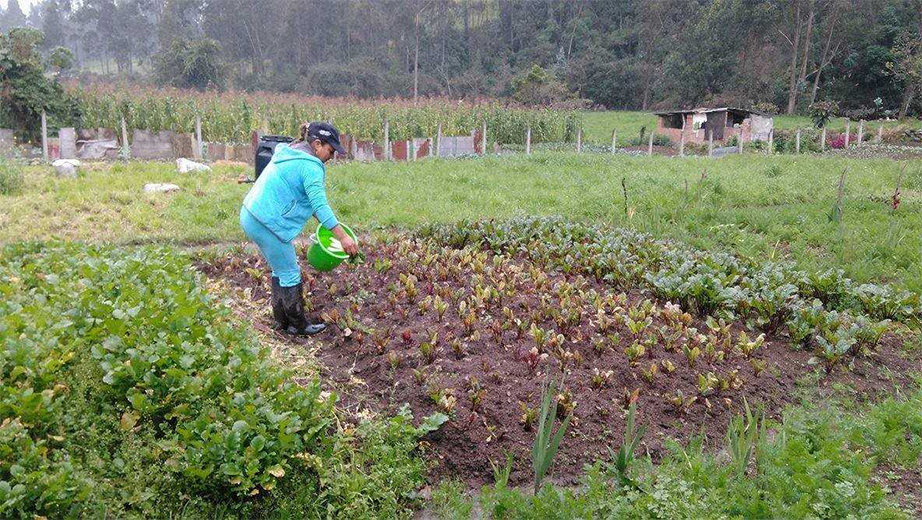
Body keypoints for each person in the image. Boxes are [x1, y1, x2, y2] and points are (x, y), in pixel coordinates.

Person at [239, 122, 358, 336]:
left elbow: (311, 203)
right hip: (268, 222)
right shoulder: (310, 166)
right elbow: (320, 205)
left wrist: (329, 225)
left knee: (280, 269)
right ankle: (297, 325)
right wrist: (343, 238)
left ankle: (282, 322)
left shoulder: (291, 151)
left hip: (251, 214)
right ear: (317, 144)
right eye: (330, 151)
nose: (331, 157)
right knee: (291, 272)